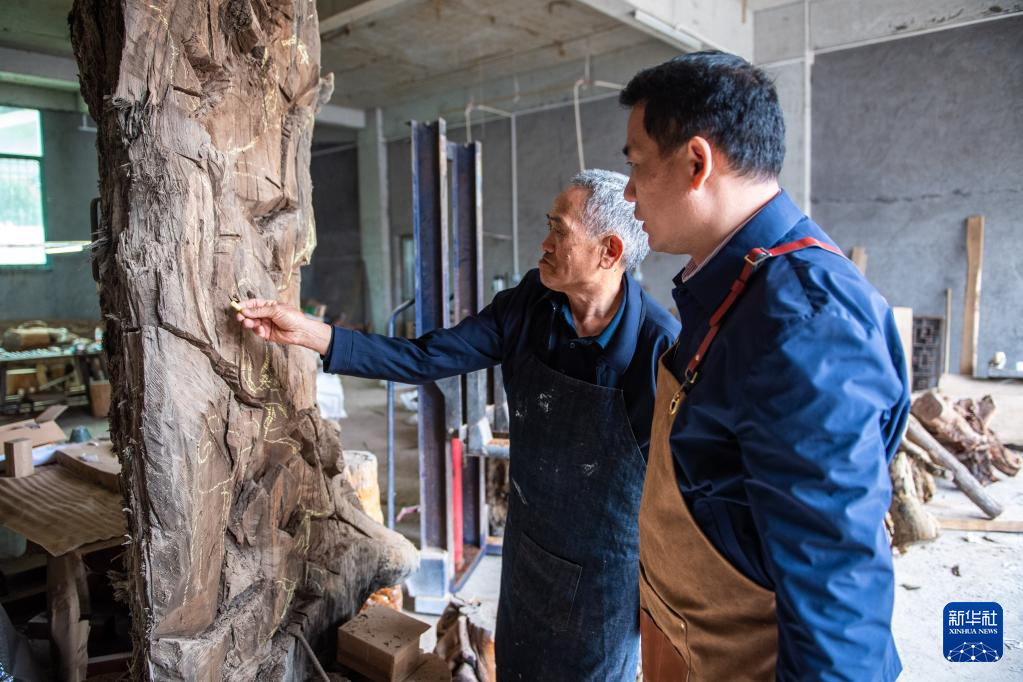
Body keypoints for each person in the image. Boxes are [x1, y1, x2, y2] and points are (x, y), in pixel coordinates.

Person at [235, 169, 680, 681]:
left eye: (560, 231)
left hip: (606, 582)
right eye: (549, 226)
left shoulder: (661, 349)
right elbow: (425, 357)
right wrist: (312, 334)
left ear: (609, 251)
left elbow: (682, 498)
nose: (545, 243)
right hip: (528, 553)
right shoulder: (529, 305)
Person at [619, 52, 909, 681]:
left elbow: (837, 583)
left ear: (697, 162)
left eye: (636, 164)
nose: (628, 191)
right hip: (691, 644)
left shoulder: (804, 319)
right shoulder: (731, 285)